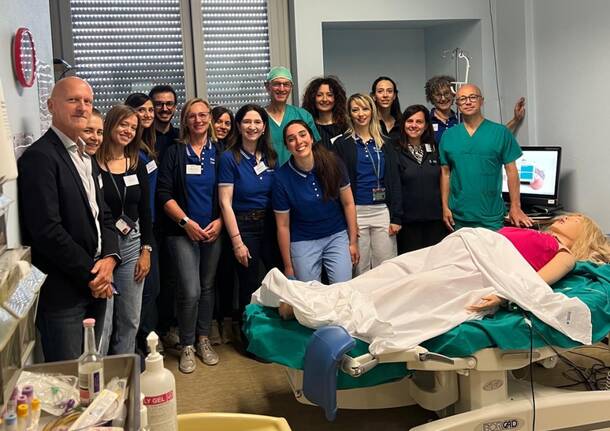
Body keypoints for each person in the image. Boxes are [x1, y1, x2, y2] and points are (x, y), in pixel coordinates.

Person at [270, 214, 610, 353]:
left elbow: (534, 284)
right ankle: (315, 300)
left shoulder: (563, 253)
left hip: (480, 268)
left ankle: (326, 316)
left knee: (414, 287)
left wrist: (502, 296)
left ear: (584, 234)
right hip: (463, 246)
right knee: (390, 270)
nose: (566, 216)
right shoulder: (532, 231)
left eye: (575, 219)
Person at [17, 76, 120, 361]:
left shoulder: (85, 156)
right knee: (69, 376)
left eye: (87, 101)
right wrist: (93, 274)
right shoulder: (39, 157)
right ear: (51, 105)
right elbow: (47, 230)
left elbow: (103, 215)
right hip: (64, 292)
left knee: (93, 365)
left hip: (96, 281)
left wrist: (111, 258)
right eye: (73, 100)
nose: (82, 107)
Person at [157, 98, 223, 373]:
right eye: (192, 115)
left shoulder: (220, 151)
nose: (198, 120)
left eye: (203, 115)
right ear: (185, 120)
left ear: (209, 118)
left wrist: (220, 222)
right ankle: (186, 344)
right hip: (181, 232)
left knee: (207, 287)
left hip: (213, 231)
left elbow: (229, 191)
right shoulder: (175, 152)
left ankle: (203, 339)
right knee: (190, 289)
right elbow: (163, 194)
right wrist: (185, 222)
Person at [96, 104, 153, 355]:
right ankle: (99, 371)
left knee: (130, 317)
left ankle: (125, 368)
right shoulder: (92, 162)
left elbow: (145, 210)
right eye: (123, 124)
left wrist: (146, 250)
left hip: (132, 245)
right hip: (101, 247)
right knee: (104, 319)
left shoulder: (136, 164)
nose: (128, 131)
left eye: (133, 127)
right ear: (110, 124)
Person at [273, 120, 359, 283]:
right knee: (309, 293)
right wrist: (288, 265)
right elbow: (283, 226)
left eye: (302, 135)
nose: (299, 142)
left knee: (343, 288)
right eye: (291, 139)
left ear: (312, 138)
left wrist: (353, 242)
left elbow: (348, 204)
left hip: (336, 236)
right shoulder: (281, 178)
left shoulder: (333, 162)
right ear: (287, 147)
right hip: (303, 240)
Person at [439, 84, 532, 232]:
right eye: (462, 99)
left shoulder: (500, 132)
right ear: (457, 104)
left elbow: (511, 171)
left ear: (481, 101)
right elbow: (445, 173)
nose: (468, 102)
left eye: (472, 97)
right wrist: (445, 207)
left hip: (491, 216)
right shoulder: (449, 136)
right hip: (458, 215)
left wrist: (515, 206)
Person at [218, 104, 278, 327]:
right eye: (247, 122)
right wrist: (237, 242)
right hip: (244, 227)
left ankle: (273, 332)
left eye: (257, 122)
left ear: (264, 127)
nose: (252, 127)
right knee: (249, 285)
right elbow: (225, 203)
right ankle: (250, 335)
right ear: (238, 126)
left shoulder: (271, 157)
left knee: (276, 279)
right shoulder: (229, 158)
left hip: (271, 226)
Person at [333, 94, 402, 275]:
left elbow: (395, 180)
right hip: (356, 212)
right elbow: (337, 184)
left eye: (365, 109)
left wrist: (396, 217)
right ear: (349, 114)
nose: (361, 114)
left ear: (372, 111)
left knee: (387, 267)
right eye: (355, 110)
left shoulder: (385, 143)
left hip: (382, 211)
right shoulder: (342, 144)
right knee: (359, 267)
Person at [125, 92, 161, 354]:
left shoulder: (147, 145)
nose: (147, 114)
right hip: (135, 231)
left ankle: (148, 341)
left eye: (150, 110)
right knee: (143, 289)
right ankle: (141, 345)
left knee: (151, 289)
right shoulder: (129, 150)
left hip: (151, 225)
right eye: (141, 110)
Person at [148, 84, 180, 350]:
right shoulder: (141, 138)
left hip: (174, 219)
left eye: (169, 103)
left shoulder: (180, 138)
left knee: (171, 279)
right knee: (151, 284)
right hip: (148, 220)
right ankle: (150, 334)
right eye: (159, 104)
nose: (164, 108)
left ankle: (167, 328)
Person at [395, 105, 448, 253]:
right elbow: (394, 186)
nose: (414, 125)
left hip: (436, 219)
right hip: (407, 222)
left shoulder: (435, 148)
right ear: (403, 124)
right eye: (410, 121)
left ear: (425, 126)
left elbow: (444, 178)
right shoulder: (394, 150)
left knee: (435, 261)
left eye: (419, 122)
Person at [424, 75, 526, 143]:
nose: (443, 98)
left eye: (446, 93)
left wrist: (515, 120)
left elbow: (493, 135)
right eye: (438, 95)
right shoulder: (425, 120)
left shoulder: (463, 119)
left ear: (454, 94)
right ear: (431, 98)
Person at [211, 105, 237, 344]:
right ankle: (211, 323)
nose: (223, 126)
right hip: (206, 221)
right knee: (209, 278)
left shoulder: (231, 152)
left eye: (227, 123)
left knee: (227, 274)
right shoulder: (203, 149)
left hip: (228, 220)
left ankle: (227, 321)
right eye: (219, 121)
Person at [264, 66, 320, 165]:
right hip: (269, 172)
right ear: (267, 86)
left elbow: (315, 148)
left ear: (291, 87)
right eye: (276, 84)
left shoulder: (303, 115)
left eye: (286, 84)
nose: (282, 89)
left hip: (300, 171)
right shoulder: (259, 118)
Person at [301, 76, 349, 148]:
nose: (324, 99)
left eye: (329, 95)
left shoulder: (346, 126)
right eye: (319, 95)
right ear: (312, 98)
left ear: (337, 98)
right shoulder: (307, 126)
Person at [371, 76, 402, 141]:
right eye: (380, 91)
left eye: (389, 91)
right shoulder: (367, 122)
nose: (385, 95)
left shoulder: (402, 123)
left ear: (394, 96)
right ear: (374, 96)